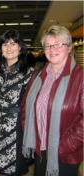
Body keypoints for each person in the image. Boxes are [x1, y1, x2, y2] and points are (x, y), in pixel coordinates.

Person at [21, 25, 83, 176]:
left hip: (65, 154)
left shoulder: (80, 77)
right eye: (48, 46)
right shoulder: (38, 75)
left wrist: (62, 146)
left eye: (57, 44)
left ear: (69, 48)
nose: (52, 49)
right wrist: (31, 134)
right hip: (39, 151)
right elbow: (25, 107)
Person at [0, 31, 34, 176]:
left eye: (13, 44)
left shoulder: (29, 73)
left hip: (16, 128)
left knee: (15, 168)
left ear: (20, 47)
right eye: (5, 44)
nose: (9, 48)